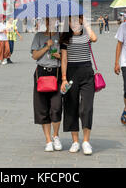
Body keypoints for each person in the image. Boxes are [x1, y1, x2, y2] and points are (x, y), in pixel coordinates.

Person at [60, 15, 98, 155]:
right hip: (71, 74)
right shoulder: (65, 39)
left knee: (86, 108)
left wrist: (87, 25)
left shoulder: (87, 35)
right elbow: (64, 59)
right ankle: (75, 141)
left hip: (87, 73)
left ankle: (86, 141)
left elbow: (94, 38)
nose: (75, 24)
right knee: (71, 107)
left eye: (77, 20)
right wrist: (63, 78)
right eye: (72, 21)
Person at [31, 17, 63, 152]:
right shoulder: (38, 36)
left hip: (56, 73)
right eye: (48, 20)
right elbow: (35, 56)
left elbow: (66, 55)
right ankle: (48, 140)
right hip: (42, 73)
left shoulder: (61, 36)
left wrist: (58, 55)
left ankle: (56, 136)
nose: (50, 23)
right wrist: (46, 46)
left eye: (53, 20)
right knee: (42, 108)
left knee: (56, 107)